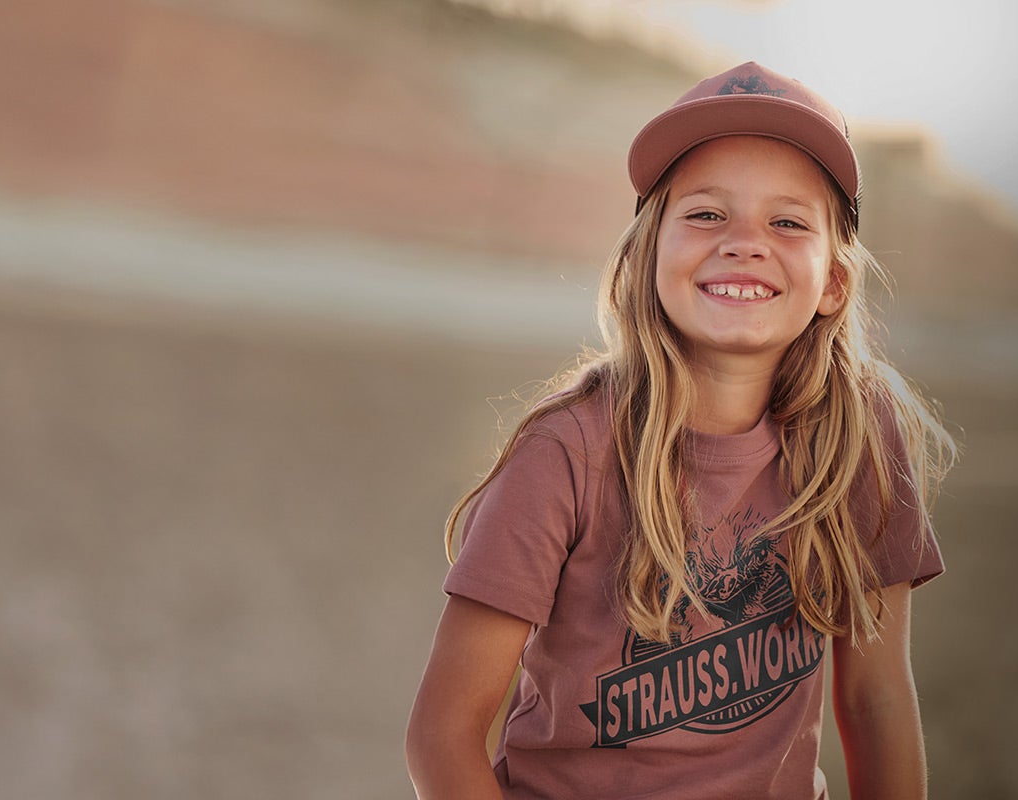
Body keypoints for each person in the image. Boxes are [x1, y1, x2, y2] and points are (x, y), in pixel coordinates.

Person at [405, 61, 956, 800]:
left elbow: (875, 700)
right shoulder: (567, 452)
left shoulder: (859, 438)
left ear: (832, 282)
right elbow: (441, 737)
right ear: (645, 254)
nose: (744, 242)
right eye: (705, 214)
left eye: (788, 222)